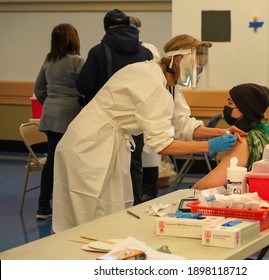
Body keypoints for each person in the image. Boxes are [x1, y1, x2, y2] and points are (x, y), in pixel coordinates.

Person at [52, 34, 246, 233]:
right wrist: (210, 146)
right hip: (89, 145)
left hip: (109, 143)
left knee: (111, 212)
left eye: (201, 68)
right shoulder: (151, 82)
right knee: (88, 216)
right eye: (195, 67)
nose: (197, 72)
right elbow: (162, 145)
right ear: (178, 61)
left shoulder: (167, 83)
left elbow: (183, 124)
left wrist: (220, 132)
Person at [75, 9, 153, 206]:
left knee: (103, 167)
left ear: (105, 28)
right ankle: (135, 205)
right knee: (134, 165)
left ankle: (106, 210)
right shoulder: (145, 52)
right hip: (136, 120)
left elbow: (84, 85)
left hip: (104, 123)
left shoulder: (98, 52)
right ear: (129, 25)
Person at [34, 23, 85, 219]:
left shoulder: (49, 62)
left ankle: (43, 205)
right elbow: (86, 86)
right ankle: (69, 206)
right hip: (70, 115)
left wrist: (51, 101)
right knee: (70, 160)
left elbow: (39, 90)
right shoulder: (77, 61)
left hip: (50, 114)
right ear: (74, 39)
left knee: (51, 160)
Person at [192, 83, 269, 189]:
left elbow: (210, 184)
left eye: (230, 103)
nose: (226, 106)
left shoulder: (244, 140)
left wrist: (192, 189)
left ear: (245, 109)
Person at [129, 15, 162, 202]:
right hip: (130, 111)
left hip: (148, 106)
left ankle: (149, 190)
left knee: (149, 152)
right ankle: (137, 193)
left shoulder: (148, 49)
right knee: (135, 158)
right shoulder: (111, 51)